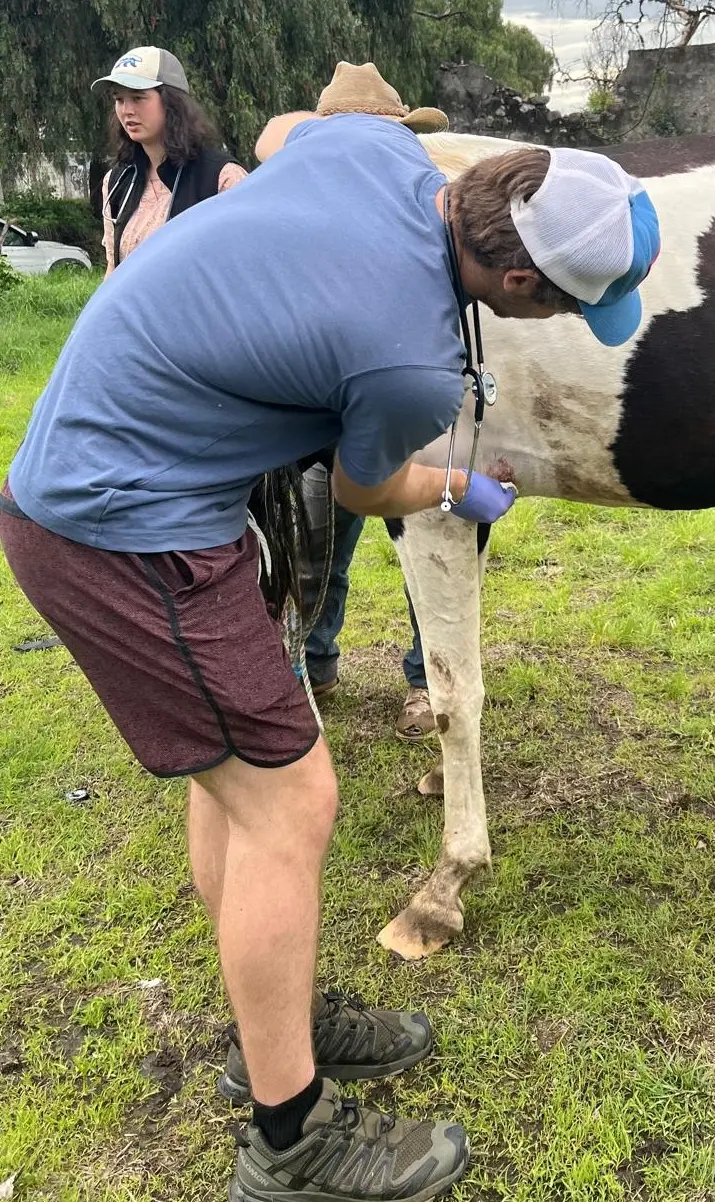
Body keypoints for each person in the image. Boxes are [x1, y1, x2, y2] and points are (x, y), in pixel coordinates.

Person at [0, 67, 660, 1202]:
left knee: (235, 783)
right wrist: (462, 485)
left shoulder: (380, 155)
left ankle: (277, 1022)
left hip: (111, 486)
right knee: (290, 799)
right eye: (557, 303)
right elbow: (365, 492)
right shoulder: (404, 361)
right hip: (124, 527)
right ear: (513, 278)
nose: (553, 322)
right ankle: (289, 1136)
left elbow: (288, 126)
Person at [293, 64, 446, 738]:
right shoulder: (304, 207)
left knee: (426, 543)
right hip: (325, 407)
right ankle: (314, 661)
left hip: (408, 400)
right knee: (316, 543)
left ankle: (422, 679)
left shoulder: (429, 204)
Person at [94, 46, 247, 275]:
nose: (126, 110)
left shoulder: (222, 177)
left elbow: (244, 266)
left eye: (138, 98)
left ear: (172, 103)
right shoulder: (117, 181)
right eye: (119, 99)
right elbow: (113, 272)